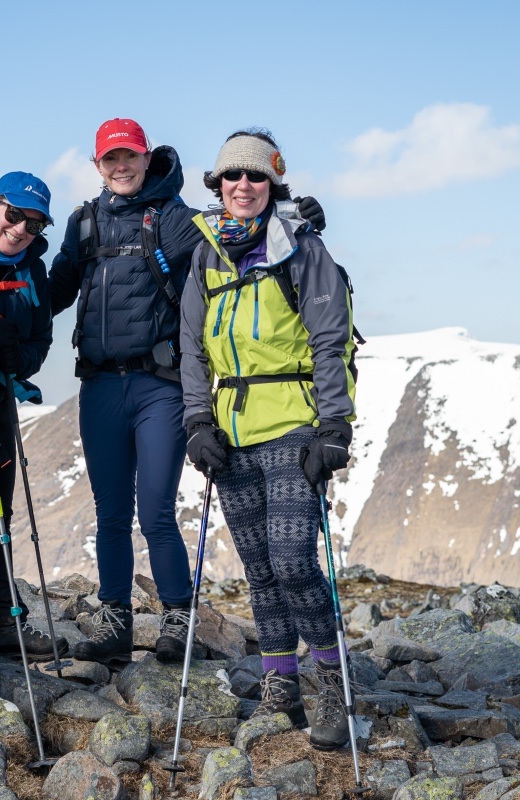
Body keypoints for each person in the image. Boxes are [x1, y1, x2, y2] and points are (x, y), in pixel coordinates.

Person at [49, 119, 326, 667]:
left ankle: (177, 615)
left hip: (159, 386)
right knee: (108, 510)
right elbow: (54, 290)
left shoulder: (178, 221)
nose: (121, 167)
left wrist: (299, 217)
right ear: (96, 165)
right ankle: (115, 622)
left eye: (130, 157)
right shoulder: (84, 225)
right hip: (100, 385)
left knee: (154, 508)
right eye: (111, 160)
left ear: (147, 158)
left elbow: (243, 231)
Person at [179, 129, 356, 750]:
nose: (243, 186)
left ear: (273, 184)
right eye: (232, 177)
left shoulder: (304, 250)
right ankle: (281, 683)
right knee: (258, 566)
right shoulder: (205, 254)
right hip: (229, 429)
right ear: (218, 186)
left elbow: (331, 339)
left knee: (291, 560)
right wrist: (197, 421)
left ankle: (331, 677)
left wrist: (335, 424)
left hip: (293, 422)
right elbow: (192, 348)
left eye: (256, 177)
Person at [0, 171, 68, 661]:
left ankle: (4, 620)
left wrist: (16, 358)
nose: (20, 229)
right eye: (14, 214)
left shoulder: (34, 275)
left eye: (34, 225)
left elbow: (40, 345)